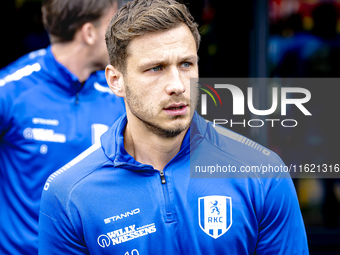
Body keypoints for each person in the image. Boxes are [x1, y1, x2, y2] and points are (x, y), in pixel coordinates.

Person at [38, 0, 309, 254]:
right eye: (156, 68)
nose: (178, 85)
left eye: (186, 64)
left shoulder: (262, 174)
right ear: (116, 80)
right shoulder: (69, 192)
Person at [0, 0, 127, 254]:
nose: (121, 37)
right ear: (90, 33)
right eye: (113, 26)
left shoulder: (120, 95)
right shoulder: (10, 90)